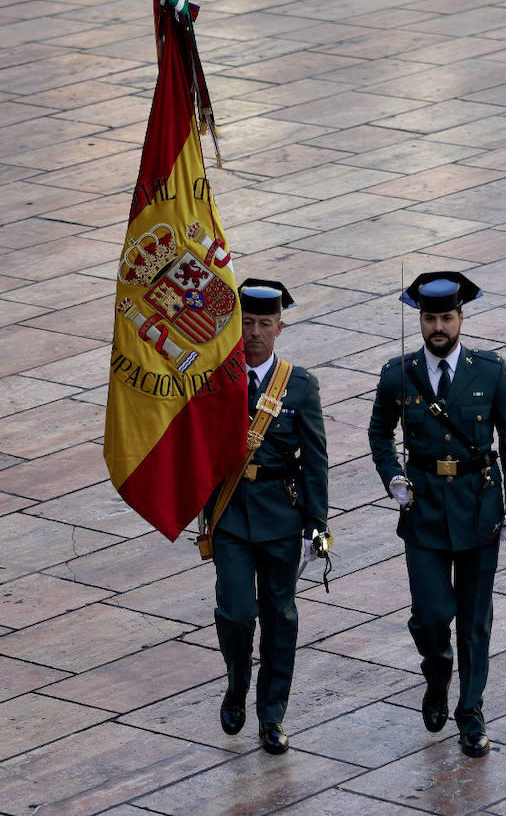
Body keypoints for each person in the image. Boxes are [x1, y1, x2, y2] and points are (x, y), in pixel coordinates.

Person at [367, 271, 506, 758]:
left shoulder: (491, 371)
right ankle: (437, 673)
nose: (438, 326)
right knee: (434, 615)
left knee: (475, 620)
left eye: (446, 317)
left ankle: (471, 712)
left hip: (480, 506)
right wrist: (393, 476)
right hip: (424, 512)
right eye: (429, 317)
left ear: (462, 318)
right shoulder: (398, 373)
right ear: (420, 320)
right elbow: (379, 434)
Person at [206, 278, 329, 755]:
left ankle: (272, 714)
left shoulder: (298, 385)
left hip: (281, 513)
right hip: (231, 514)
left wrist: (317, 522)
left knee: (280, 618)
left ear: (280, 327)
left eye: (263, 324)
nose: (254, 332)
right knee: (236, 613)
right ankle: (237, 683)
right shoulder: (216, 377)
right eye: (247, 323)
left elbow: (315, 459)